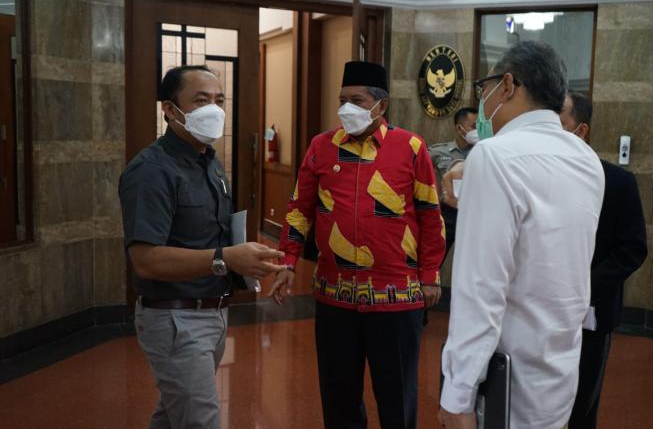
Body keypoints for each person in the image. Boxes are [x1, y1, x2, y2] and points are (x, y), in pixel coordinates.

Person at [439, 41, 605, 429]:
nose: (483, 101)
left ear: (508, 85)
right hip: (559, 371)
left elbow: (480, 289)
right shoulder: (587, 160)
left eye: (485, 88)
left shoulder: (494, 156)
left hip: (505, 381)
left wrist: (457, 395)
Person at [271, 61, 446, 429]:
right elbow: (299, 209)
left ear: (381, 105)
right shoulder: (321, 147)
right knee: (339, 400)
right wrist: (287, 261)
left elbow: (431, 214)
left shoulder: (410, 147)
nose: (346, 108)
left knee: (397, 399)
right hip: (335, 297)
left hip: (396, 297)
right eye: (342, 100)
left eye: (357, 100)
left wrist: (430, 274)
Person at [119, 65, 287, 429]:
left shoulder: (210, 163)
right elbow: (146, 260)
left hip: (213, 313)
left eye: (219, 101)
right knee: (201, 420)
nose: (213, 109)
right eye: (200, 100)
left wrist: (251, 260)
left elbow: (215, 237)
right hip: (175, 318)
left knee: (173, 415)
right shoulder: (151, 171)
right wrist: (226, 258)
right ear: (169, 109)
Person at [560, 91, 648, 429]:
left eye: (559, 121)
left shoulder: (618, 182)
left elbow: (632, 249)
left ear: (580, 130)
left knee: (582, 405)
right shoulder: (537, 177)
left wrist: (584, 287)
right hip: (538, 310)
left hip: (591, 313)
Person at [428, 107, 478, 257]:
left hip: (473, 214)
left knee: (472, 259)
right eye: (474, 126)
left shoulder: (483, 151)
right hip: (448, 213)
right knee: (436, 257)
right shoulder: (439, 152)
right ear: (459, 128)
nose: (477, 131)